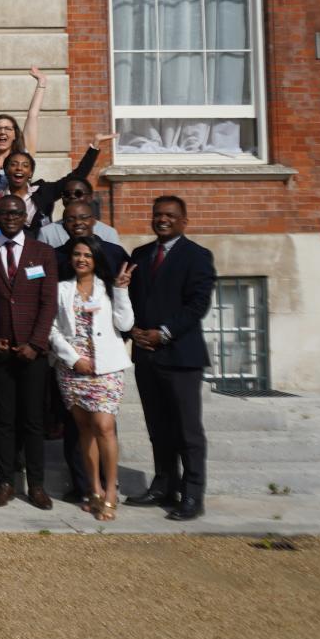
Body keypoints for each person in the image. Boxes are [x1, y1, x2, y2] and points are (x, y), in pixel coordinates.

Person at [125, 195, 217, 521]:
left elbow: (197, 305)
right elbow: (131, 299)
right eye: (158, 215)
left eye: (169, 215)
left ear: (183, 221)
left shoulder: (197, 256)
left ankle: (193, 495)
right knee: (158, 427)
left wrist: (163, 333)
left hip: (180, 356)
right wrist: (133, 329)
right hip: (147, 358)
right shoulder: (140, 255)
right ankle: (164, 484)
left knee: (187, 430)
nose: (162, 220)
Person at [0, 193, 59, 509]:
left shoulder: (43, 253)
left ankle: (36, 485)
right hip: (1, 351)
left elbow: (48, 302)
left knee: (33, 421)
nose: (9, 217)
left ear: (25, 215)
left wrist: (36, 344)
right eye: (3, 213)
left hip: (32, 353)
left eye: (15, 213)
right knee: (4, 421)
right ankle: (6, 482)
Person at [50, 238, 136, 522]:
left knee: (104, 425)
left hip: (106, 368)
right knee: (84, 428)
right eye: (77, 254)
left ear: (96, 259)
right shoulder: (61, 289)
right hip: (73, 367)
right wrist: (73, 358)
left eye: (87, 255)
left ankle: (112, 490)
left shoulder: (109, 289)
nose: (81, 259)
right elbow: (52, 329)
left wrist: (121, 290)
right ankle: (94, 490)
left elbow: (124, 325)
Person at [0, 134, 112, 235]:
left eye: (25, 165)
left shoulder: (43, 191)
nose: (19, 168)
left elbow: (76, 177)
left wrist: (94, 146)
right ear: (6, 170)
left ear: (30, 173)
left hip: (42, 250)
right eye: (14, 164)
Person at [0, 67, 48, 191]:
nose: (2, 132)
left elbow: (32, 115)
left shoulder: (23, 157)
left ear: (15, 135)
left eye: (8, 129)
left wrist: (41, 83)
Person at [38, 177, 122, 248]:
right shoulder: (47, 233)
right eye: (67, 194)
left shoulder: (108, 233)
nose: (72, 196)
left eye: (78, 193)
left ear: (90, 197)